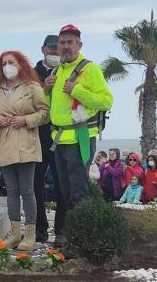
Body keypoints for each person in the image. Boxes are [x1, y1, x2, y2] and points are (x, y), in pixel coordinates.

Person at [43, 23, 113, 250]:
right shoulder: (56, 72)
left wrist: (77, 90)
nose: (64, 47)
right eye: (61, 43)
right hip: (59, 141)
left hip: (80, 139)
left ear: (79, 45)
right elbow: (51, 109)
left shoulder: (89, 69)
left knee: (78, 193)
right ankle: (72, 238)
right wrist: (45, 89)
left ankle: (83, 242)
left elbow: (106, 101)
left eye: (69, 42)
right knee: (65, 194)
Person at [0, 50, 48, 251]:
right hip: (4, 143)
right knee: (11, 191)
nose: (7, 66)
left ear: (21, 65)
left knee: (27, 190)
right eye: (4, 63)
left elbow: (45, 113)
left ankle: (30, 234)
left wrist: (26, 120)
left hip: (26, 143)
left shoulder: (33, 87)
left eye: (11, 62)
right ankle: (14, 232)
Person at [34, 34, 67, 244]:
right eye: (52, 48)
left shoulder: (67, 71)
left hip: (60, 136)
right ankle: (39, 228)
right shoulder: (30, 73)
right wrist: (43, 88)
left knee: (62, 183)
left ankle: (61, 229)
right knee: (35, 184)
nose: (55, 52)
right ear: (43, 49)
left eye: (58, 48)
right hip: (36, 136)